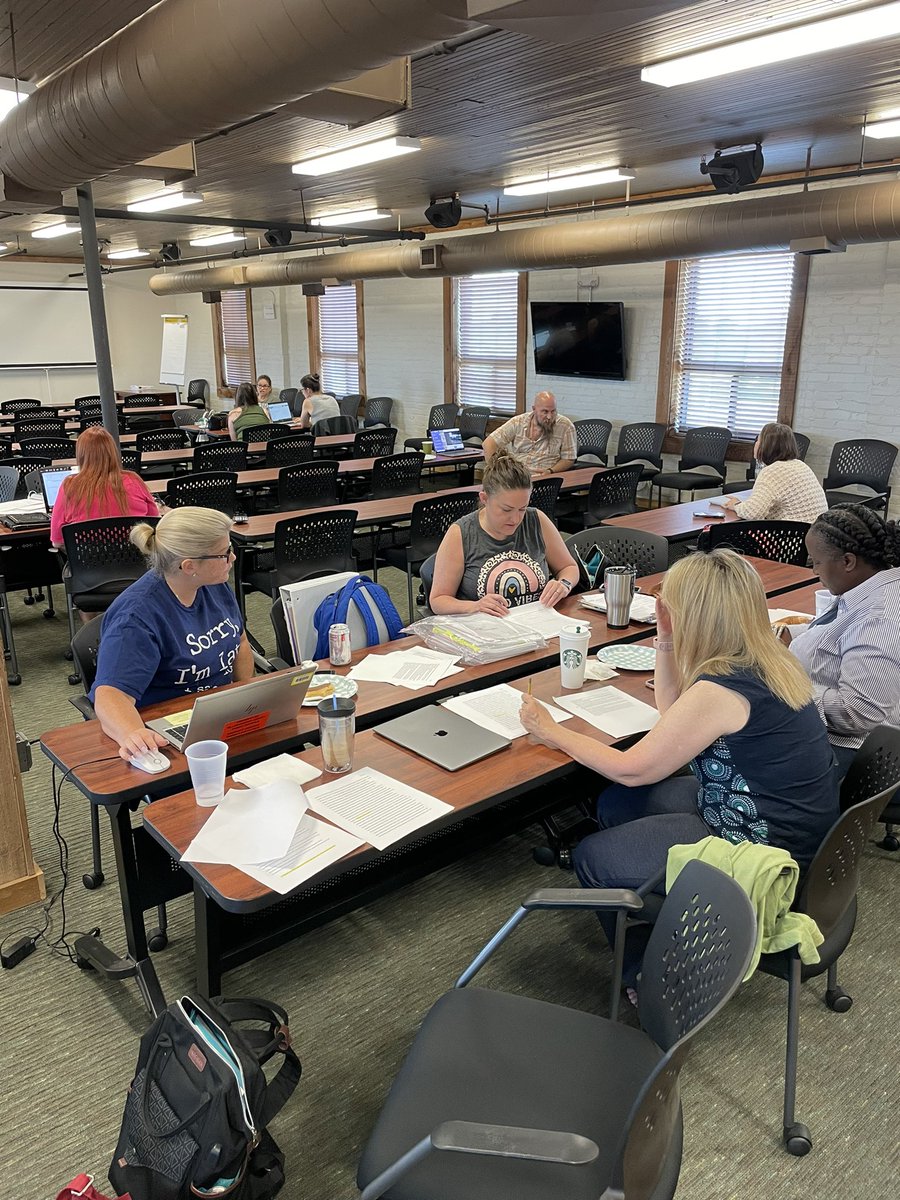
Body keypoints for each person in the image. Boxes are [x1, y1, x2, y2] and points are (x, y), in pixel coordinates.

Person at [520, 548, 838, 983]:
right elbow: (673, 710)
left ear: (699, 616)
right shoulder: (768, 657)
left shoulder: (723, 689)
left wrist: (548, 729)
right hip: (779, 822)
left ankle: (648, 978)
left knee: (592, 855)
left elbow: (634, 767)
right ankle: (659, 906)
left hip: (760, 847)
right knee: (616, 803)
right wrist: (665, 636)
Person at [91, 507, 253, 759]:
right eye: (225, 553)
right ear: (189, 566)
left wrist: (249, 696)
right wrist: (133, 735)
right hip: (168, 730)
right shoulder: (135, 619)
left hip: (220, 715)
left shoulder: (213, 585)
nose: (232, 558)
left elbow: (240, 642)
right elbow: (110, 695)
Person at [788, 504, 900, 775]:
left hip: (860, 754)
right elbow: (841, 636)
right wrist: (794, 638)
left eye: (815, 562)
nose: (814, 570)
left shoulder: (879, 620)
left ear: (848, 561)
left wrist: (788, 689)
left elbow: (858, 713)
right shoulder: (871, 588)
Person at [430, 448, 579, 615]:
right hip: (484, 630)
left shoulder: (537, 520)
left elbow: (569, 567)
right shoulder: (461, 533)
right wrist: (475, 606)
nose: (515, 519)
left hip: (535, 622)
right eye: (506, 510)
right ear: (484, 499)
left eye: (522, 509)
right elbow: (438, 600)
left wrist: (564, 584)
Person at [50, 426, 158, 548]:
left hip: (87, 564)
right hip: (137, 563)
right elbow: (154, 526)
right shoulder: (134, 480)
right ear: (113, 451)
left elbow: (57, 542)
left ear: (80, 455)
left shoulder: (69, 486)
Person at [716, 423, 827, 522]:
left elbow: (753, 513)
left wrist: (735, 505)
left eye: (758, 440)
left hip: (792, 539)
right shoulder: (800, 465)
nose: (756, 444)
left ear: (767, 446)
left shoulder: (772, 471)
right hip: (814, 536)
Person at [483, 391, 577, 477]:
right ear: (534, 409)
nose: (549, 417)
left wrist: (550, 471)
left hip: (545, 477)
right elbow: (488, 444)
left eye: (553, 411)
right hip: (517, 478)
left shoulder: (566, 426)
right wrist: (497, 472)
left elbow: (569, 459)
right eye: (545, 412)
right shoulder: (518, 422)